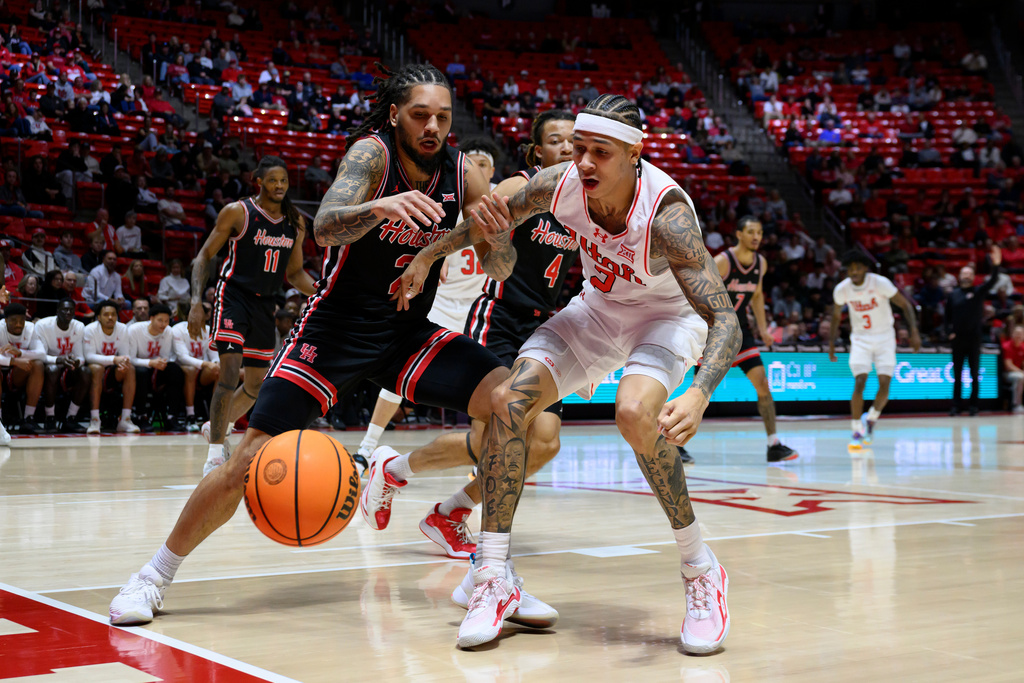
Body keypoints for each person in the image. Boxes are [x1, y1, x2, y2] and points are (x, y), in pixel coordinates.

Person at [107, 63, 518, 627]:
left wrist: (496, 238)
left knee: (509, 401)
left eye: (443, 117)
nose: (433, 126)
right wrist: (378, 208)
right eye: (421, 115)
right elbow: (323, 226)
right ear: (397, 114)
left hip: (405, 331)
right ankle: (152, 575)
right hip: (335, 331)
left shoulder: (462, 171)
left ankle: (491, 574)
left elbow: (503, 265)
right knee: (247, 460)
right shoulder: (372, 155)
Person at [393, 94, 739, 652]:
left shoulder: (668, 217)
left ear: (634, 153)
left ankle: (701, 570)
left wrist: (699, 393)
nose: (584, 163)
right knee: (508, 402)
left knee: (632, 413)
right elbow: (492, 218)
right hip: (598, 310)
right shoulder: (562, 183)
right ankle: (492, 577)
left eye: (600, 152)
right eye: (578, 149)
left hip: (665, 320)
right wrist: (431, 254)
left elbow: (724, 316)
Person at [359, 112, 579, 561]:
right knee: (494, 437)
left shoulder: (583, 201)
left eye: (575, 140)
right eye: (556, 141)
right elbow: (471, 226)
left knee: (546, 442)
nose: (569, 148)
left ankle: (438, 501)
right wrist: (425, 257)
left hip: (544, 326)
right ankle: (405, 478)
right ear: (537, 152)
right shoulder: (519, 187)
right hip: (498, 315)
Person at [354, 136, 502, 468]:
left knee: (489, 385)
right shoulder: (455, 197)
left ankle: (483, 459)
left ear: (492, 171)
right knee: (398, 381)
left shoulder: (499, 203)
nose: (476, 169)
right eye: (472, 163)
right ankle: (366, 448)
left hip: (481, 307)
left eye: (483, 165)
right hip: (444, 303)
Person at [187, 156, 317, 476]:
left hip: (265, 304)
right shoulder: (238, 212)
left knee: (257, 384)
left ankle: (217, 425)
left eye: (284, 181)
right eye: (273, 180)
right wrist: (194, 302)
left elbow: (295, 272)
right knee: (230, 373)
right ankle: (215, 453)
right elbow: (204, 256)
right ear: (258, 181)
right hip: (233, 297)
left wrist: (321, 291)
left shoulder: (295, 222)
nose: (279, 186)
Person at [713, 217, 800, 462]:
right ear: (738, 234)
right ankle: (675, 444)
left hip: (742, 331)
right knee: (702, 391)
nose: (756, 237)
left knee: (762, 383)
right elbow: (697, 294)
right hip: (713, 331)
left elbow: (758, 295)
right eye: (751, 232)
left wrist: (763, 329)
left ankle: (773, 444)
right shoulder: (722, 261)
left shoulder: (760, 262)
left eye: (760, 233)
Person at [829, 251, 921, 449]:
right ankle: (855, 429)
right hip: (860, 339)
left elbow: (906, 305)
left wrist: (914, 331)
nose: (853, 271)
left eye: (857, 267)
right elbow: (836, 317)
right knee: (860, 381)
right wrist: (831, 344)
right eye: (850, 268)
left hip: (885, 337)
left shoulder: (880, 283)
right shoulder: (842, 289)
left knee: (885, 384)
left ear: (865, 268)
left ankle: (871, 419)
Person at [945, 246, 1002, 415]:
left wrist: (996, 265)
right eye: (964, 273)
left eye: (970, 273)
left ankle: (973, 406)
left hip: (974, 338)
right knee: (957, 375)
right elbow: (947, 316)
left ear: (973, 277)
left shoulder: (978, 292)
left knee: (974, 374)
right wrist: (949, 331)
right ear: (959, 276)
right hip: (958, 339)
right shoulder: (953, 294)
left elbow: (992, 281)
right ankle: (956, 406)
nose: (967, 275)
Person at [84, 299, 140, 434]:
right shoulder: (90, 329)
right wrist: (114, 359)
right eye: (106, 314)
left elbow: (125, 355)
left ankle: (125, 419)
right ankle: (95, 420)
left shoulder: (122, 329)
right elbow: (89, 356)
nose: (110, 317)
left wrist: (123, 365)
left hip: (113, 371)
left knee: (130, 368)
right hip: (94, 370)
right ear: (98, 317)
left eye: (113, 314)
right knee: (97, 368)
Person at [35, 299, 89, 433]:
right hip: (48, 366)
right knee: (52, 370)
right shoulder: (43, 325)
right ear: (57, 311)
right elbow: (40, 355)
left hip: (68, 367)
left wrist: (77, 362)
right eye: (65, 309)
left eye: (71, 310)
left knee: (86, 371)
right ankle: (50, 417)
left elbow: (81, 357)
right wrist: (59, 360)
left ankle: (70, 417)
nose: (68, 312)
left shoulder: (79, 326)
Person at [127, 303, 183, 430]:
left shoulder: (168, 331)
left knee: (175, 370)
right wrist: (150, 363)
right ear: (151, 318)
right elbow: (130, 358)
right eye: (160, 320)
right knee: (142, 372)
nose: (163, 324)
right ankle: (141, 416)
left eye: (166, 321)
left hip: (156, 368)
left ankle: (171, 416)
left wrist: (159, 363)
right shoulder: (134, 330)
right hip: (138, 368)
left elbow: (165, 356)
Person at [0, 303, 46, 436]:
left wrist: (20, 353)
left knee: (38, 365)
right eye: (14, 321)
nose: (19, 324)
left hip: (16, 376)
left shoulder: (31, 328)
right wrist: (14, 361)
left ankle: (28, 418)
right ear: (6, 320)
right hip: (3, 371)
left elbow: (42, 354)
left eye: (22, 321)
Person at [173, 300, 219, 431]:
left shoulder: (209, 330)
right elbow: (182, 357)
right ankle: (190, 415)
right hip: (181, 369)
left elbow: (214, 356)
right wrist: (205, 364)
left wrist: (215, 364)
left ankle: (214, 415)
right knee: (191, 370)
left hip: (202, 369)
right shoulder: (178, 330)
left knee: (219, 370)